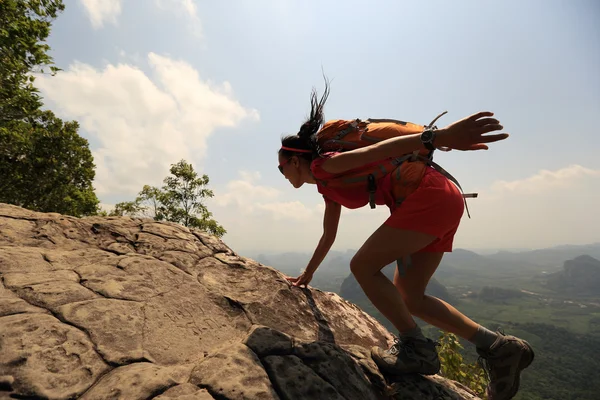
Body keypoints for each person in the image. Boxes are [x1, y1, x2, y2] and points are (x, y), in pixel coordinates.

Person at [278, 82, 534, 400]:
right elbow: (329, 234)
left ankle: (415, 348)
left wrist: (437, 138)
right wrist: (309, 274)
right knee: (411, 297)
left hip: (428, 196)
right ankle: (499, 347)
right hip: (442, 198)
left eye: (281, 167)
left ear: (294, 161)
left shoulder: (324, 164)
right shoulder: (327, 185)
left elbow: (376, 151)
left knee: (362, 266)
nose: (282, 173)